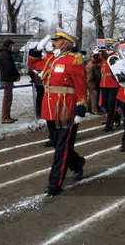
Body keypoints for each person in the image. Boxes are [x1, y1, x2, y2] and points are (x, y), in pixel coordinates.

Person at [28, 29, 87, 196]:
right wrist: (36, 51)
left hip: (66, 108)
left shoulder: (73, 60)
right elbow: (33, 65)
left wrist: (80, 106)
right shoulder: (51, 58)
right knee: (57, 143)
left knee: (61, 147)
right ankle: (77, 163)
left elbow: (81, 85)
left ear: (65, 43)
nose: (53, 42)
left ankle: (55, 183)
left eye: (57, 40)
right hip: (50, 107)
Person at [0, 38, 20, 123]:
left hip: (8, 78)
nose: (12, 47)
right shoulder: (5, 54)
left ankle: (7, 116)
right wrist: (16, 75)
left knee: (8, 98)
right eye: (11, 45)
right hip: (7, 79)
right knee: (7, 98)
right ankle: (5, 117)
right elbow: (9, 67)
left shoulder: (5, 53)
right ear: (8, 45)